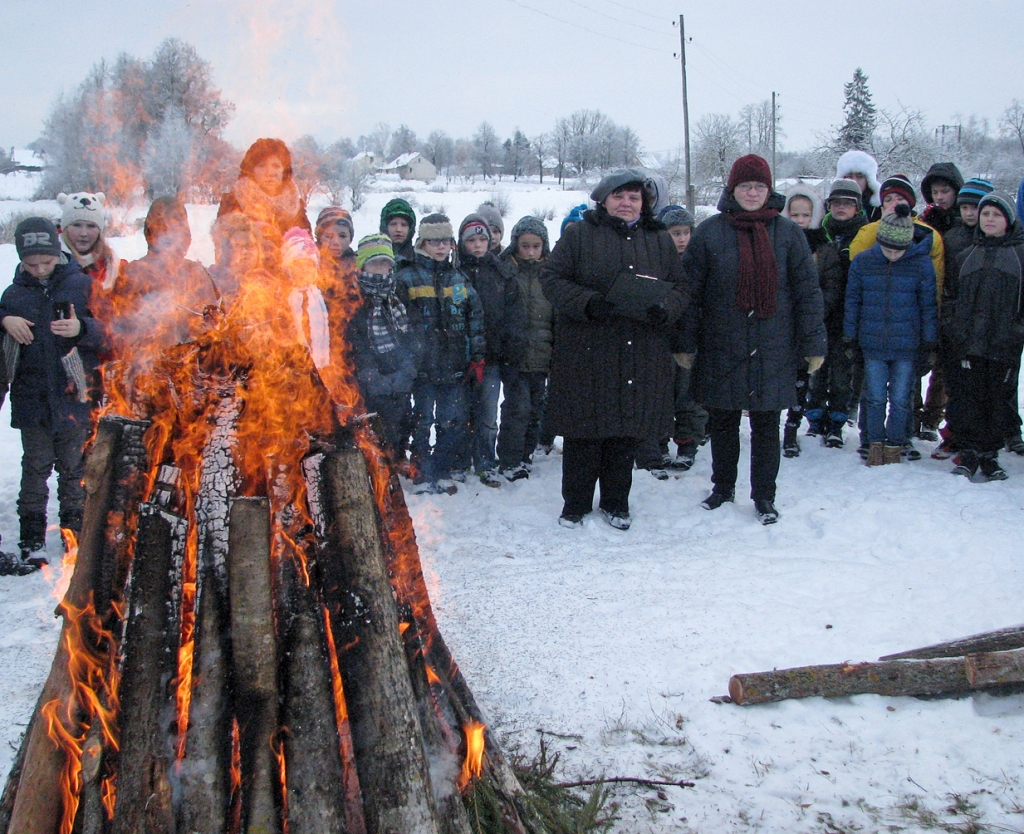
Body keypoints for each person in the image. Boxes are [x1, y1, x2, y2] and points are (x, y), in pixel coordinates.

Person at [681, 154, 825, 524]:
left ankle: (764, 496)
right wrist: (684, 341)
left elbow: (808, 293)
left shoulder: (788, 233)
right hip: (722, 342)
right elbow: (689, 293)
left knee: (765, 425)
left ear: (769, 190)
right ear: (733, 188)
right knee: (724, 421)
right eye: (745, 186)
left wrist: (814, 344)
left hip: (774, 345)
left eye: (759, 186)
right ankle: (722, 488)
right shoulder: (710, 232)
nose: (752, 192)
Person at [542, 169, 688, 531]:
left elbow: (681, 288)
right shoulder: (579, 235)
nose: (626, 203)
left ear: (645, 204)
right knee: (584, 432)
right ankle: (575, 504)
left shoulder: (659, 240)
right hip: (587, 349)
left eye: (634, 197)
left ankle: (615, 502)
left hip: (639, 349)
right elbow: (551, 278)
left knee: (625, 430)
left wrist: (664, 308)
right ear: (604, 199)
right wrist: (588, 302)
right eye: (619, 196)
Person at [0, 218, 106, 572]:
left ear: (57, 252)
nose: (40, 269)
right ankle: (31, 540)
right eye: (32, 264)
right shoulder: (14, 295)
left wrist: (82, 329)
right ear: (21, 261)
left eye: (46, 261)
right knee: (35, 468)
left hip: (72, 397)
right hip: (31, 401)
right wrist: (3, 320)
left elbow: (111, 331)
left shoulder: (82, 286)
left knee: (74, 469)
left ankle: (74, 534)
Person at [850, 174, 945, 457]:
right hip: (873, 342)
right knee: (875, 396)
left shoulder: (921, 265)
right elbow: (853, 301)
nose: (892, 254)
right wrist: (849, 337)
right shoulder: (865, 262)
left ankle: (897, 441)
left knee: (902, 398)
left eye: (898, 249)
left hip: (906, 345)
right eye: (887, 248)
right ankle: (873, 440)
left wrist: (929, 342)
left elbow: (928, 306)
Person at [396, 214, 484, 495]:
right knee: (421, 421)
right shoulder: (406, 276)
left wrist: (477, 355)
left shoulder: (459, 277)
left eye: (445, 241)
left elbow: (475, 318)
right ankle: (422, 471)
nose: (440, 247)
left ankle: (443, 468)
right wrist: (405, 360)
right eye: (433, 241)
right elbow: (399, 323)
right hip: (421, 367)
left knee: (451, 420)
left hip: (453, 365)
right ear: (422, 243)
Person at [942, 191, 1024, 480]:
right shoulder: (966, 255)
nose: (989, 219)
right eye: (985, 213)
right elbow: (950, 296)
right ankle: (969, 453)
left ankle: (990, 455)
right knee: (969, 398)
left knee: (997, 400)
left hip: (1004, 345)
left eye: (996, 215)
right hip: (968, 344)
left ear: (1008, 220)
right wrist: (954, 328)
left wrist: (1017, 331)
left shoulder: (1019, 255)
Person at [635, 204, 706, 475]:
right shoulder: (651, 261)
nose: (682, 239)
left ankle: (688, 445)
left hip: (689, 341)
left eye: (686, 232)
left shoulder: (698, 262)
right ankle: (656, 446)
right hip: (658, 340)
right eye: (675, 233)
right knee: (657, 396)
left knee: (689, 396)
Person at [457, 213, 527, 484]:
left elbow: (515, 316)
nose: (477, 245)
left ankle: (485, 460)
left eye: (482, 239)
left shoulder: (502, 272)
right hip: (461, 357)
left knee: (488, 414)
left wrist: (511, 352)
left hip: (493, 357)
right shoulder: (456, 272)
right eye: (471, 240)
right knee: (460, 412)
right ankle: (460, 459)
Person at [933, 178, 995, 459]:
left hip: (987, 324)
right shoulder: (953, 238)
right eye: (965, 207)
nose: (970, 213)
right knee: (955, 385)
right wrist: (948, 319)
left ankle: (984, 441)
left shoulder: (994, 239)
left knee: (984, 388)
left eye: (975, 208)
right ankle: (953, 435)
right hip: (956, 322)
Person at [804, 178, 868, 449]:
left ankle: (837, 424)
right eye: (836, 203)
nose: (841, 208)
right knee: (817, 371)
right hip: (821, 312)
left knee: (843, 375)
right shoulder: (821, 230)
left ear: (857, 207)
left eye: (848, 203)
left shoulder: (864, 234)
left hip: (850, 314)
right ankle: (815, 418)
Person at [114, 197, 219, 350]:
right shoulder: (133, 273)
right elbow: (120, 328)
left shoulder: (196, 272)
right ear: (150, 232)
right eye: (163, 229)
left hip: (191, 361)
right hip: (148, 362)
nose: (170, 237)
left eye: (177, 230)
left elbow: (213, 320)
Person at [348, 234, 419, 462]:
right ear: (363, 265)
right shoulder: (355, 298)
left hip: (397, 367)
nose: (380, 268)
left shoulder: (396, 294)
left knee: (402, 418)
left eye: (385, 263)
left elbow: (409, 333)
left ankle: (398, 457)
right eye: (374, 263)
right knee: (375, 422)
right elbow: (355, 338)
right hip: (370, 372)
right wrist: (370, 373)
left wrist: (407, 367)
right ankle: (378, 462)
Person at [499, 216, 554, 469]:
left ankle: (526, 455)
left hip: (543, 354)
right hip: (516, 356)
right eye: (525, 246)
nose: (531, 252)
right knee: (517, 410)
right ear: (515, 245)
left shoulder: (552, 275)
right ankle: (510, 460)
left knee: (535, 411)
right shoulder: (507, 272)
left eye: (536, 246)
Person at [780, 183, 827, 457]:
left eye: (805, 215)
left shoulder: (823, 246)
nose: (799, 221)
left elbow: (829, 285)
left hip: (808, 322)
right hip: (781, 324)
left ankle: (792, 429)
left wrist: (817, 307)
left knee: (801, 381)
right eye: (794, 215)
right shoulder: (778, 242)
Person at [217, 138, 311, 267]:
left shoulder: (295, 206)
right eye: (262, 165)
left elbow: (307, 250)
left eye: (276, 166)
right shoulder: (233, 202)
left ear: (284, 170)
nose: (270, 173)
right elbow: (223, 252)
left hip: (287, 280)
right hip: (244, 280)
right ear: (250, 170)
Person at [835, 150, 883, 221]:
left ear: (868, 180)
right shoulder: (829, 207)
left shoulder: (879, 209)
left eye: (860, 176)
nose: (854, 181)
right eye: (849, 176)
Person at [919, 163, 964, 236]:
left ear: (956, 191)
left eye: (945, 191)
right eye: (935, 192)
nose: (939, 197)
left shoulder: (968, 221)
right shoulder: (923, 222)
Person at [380, 198, 417, 267]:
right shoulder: (373, 257)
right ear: (385, 226)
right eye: (393, 224)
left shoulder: (419, 260)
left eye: (404, 225)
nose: (398, 229)